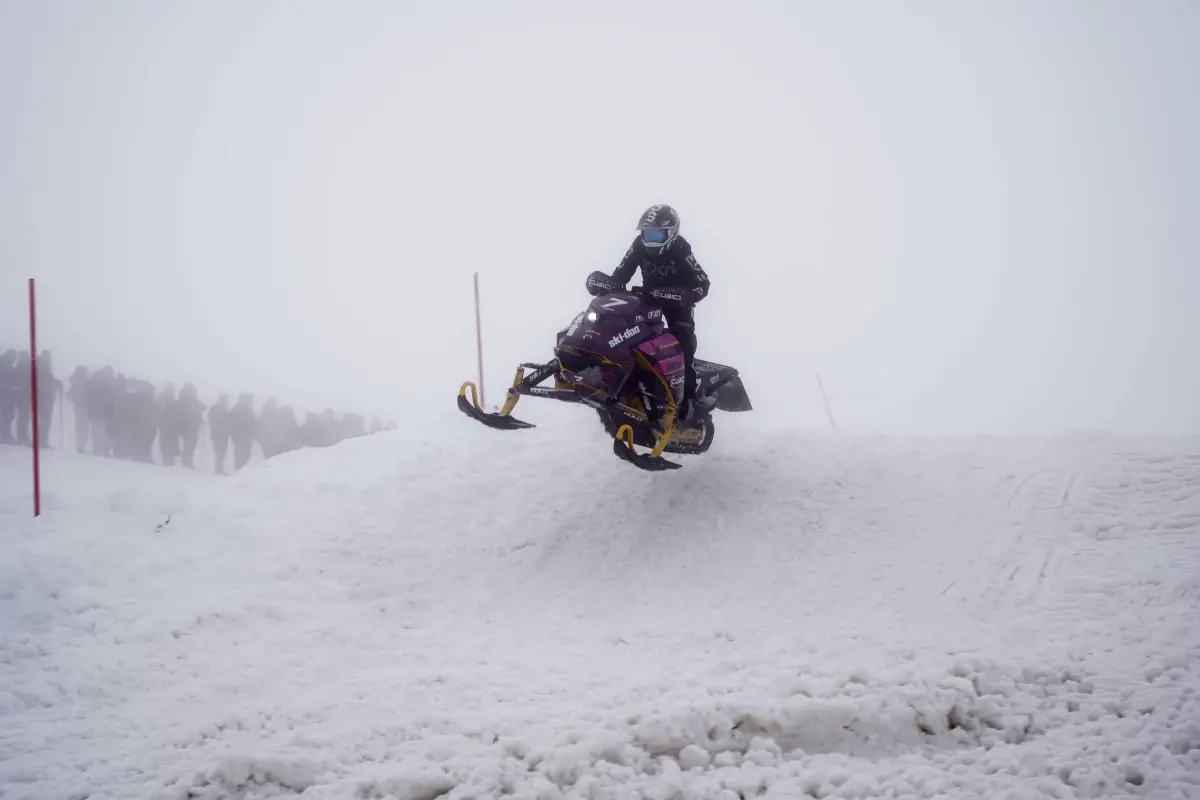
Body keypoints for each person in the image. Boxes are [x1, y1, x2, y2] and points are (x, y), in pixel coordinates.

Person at [602, 204, 709, 421]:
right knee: (626, 336)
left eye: (657, 234)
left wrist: (683, 296)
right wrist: (608, 284)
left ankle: (688, 404)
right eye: (647, 233)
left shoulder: (681, 248)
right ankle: (620, 387)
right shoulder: (639, 246)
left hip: (677, 306)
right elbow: (621, 273)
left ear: (671, 233)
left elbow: (703, 283)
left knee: (684, 348)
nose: (650, 239)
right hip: (648, 300)